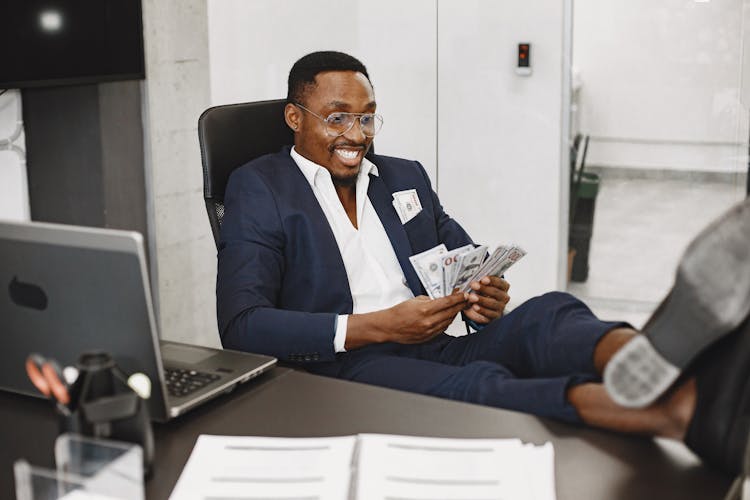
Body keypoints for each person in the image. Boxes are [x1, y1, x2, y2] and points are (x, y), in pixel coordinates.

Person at [217, 51, 750, 475]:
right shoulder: (261, 187)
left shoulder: (403, 177)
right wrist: (374, 326)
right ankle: (676, 411)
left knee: (549, 313)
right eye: (338, 119)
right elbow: (242, 325)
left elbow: (466, 260)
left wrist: (481, 297)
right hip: (344, 368)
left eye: (367, 117)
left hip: (432, 344)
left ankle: (652, 362)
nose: (357, 135)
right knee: (481, 385)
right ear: (294, 117)